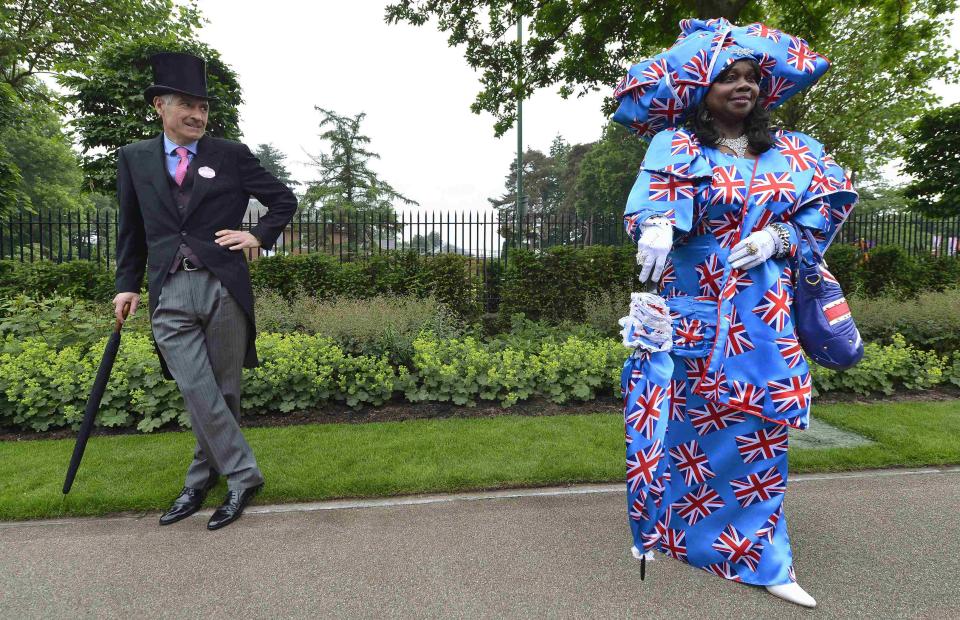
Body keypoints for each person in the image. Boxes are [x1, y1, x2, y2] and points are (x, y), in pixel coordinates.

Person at [612, 18, 858, 608]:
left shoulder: (797, 153)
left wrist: (779, 238)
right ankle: (660, 529)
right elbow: (657, 201)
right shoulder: (676, 145)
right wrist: (656, 224)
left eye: (751, 77)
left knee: (759, 433)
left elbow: (821, 214)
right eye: (729, 77)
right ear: (703, 89)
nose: (743, 86)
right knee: (674, 422)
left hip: (761, 314)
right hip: (689, 305)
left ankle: (764, 556)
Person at [112, 52, 297, 530]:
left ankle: (198, 481)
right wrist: (126, 286)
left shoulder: (229, 155)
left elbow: (283, 199)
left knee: (224, 392)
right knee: (197, 387)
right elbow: (131, 229)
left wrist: (257, 236)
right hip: (169, 290)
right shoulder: (134, 159)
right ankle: (244, 475)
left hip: (223, 287)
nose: (198, 115)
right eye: (187, 106)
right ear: (160, 106)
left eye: (204, 108)